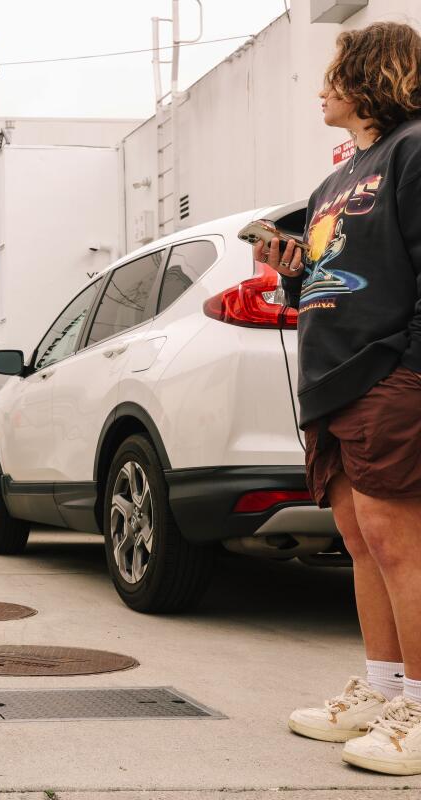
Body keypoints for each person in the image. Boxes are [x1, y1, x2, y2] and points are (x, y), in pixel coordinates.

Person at [257, 21, 421, 776]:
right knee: (359, 539)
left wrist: (407, 371)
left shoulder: (413, 150)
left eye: (333, 74)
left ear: (370, 75)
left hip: (388, 375)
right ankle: (386, 692)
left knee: (400, 542)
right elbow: (334, 275)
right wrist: (292, 270)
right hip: (331, 380)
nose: (321, 88)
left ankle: (420, 703)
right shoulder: (336, 179)